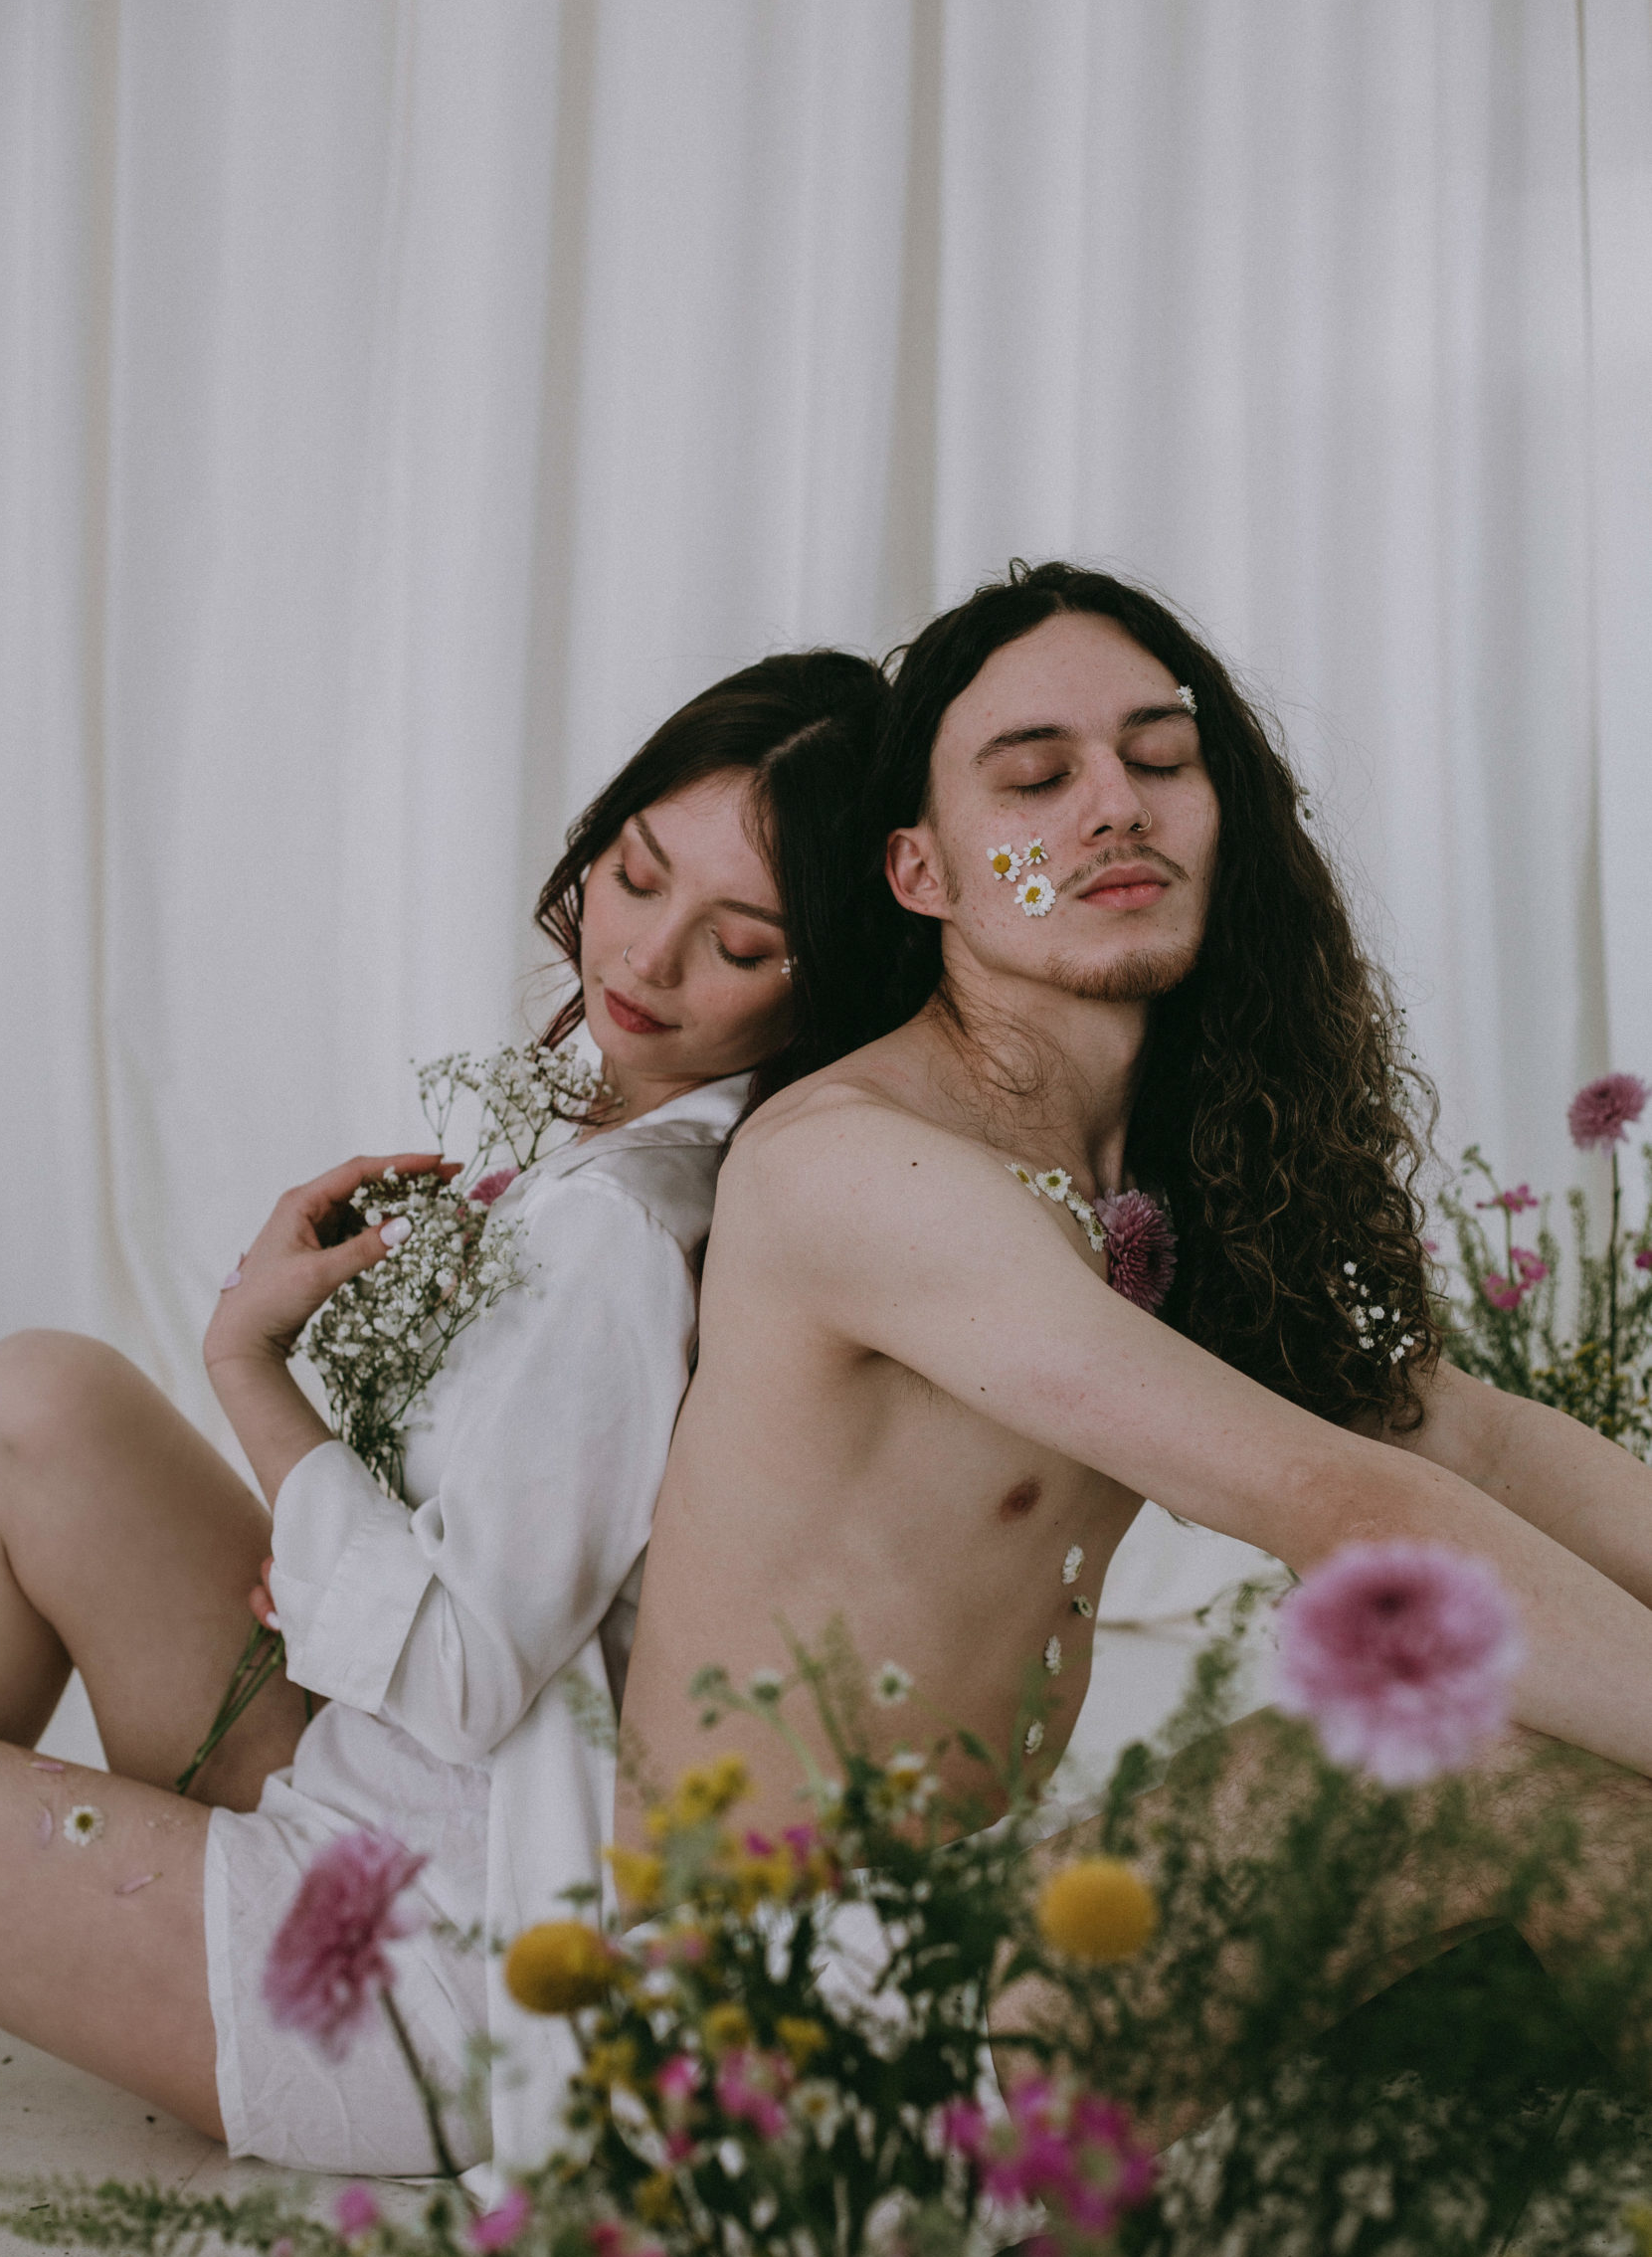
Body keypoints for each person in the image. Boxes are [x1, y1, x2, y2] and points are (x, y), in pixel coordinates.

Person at [621, 563, 1652, 2082]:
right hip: (777, 2012)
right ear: (924, 875)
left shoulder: (1146, 1193)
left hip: (968, 1925)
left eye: (1161, 763)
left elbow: (1460, 1440)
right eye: (1035, 780)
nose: (1113, 808)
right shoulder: (863, 1167)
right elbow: (1341, 1504)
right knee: (1471, 1770)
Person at [0, 646, 887, 2175]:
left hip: (411, 1951)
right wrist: (338, 1546)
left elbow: (458, 1678)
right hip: (371, 1771)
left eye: (740, 944)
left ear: (822, 981)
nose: (646, 962)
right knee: (36, 1399)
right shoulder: (613, 1118)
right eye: (637, 875)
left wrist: (257, 1376)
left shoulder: (627, 1232)